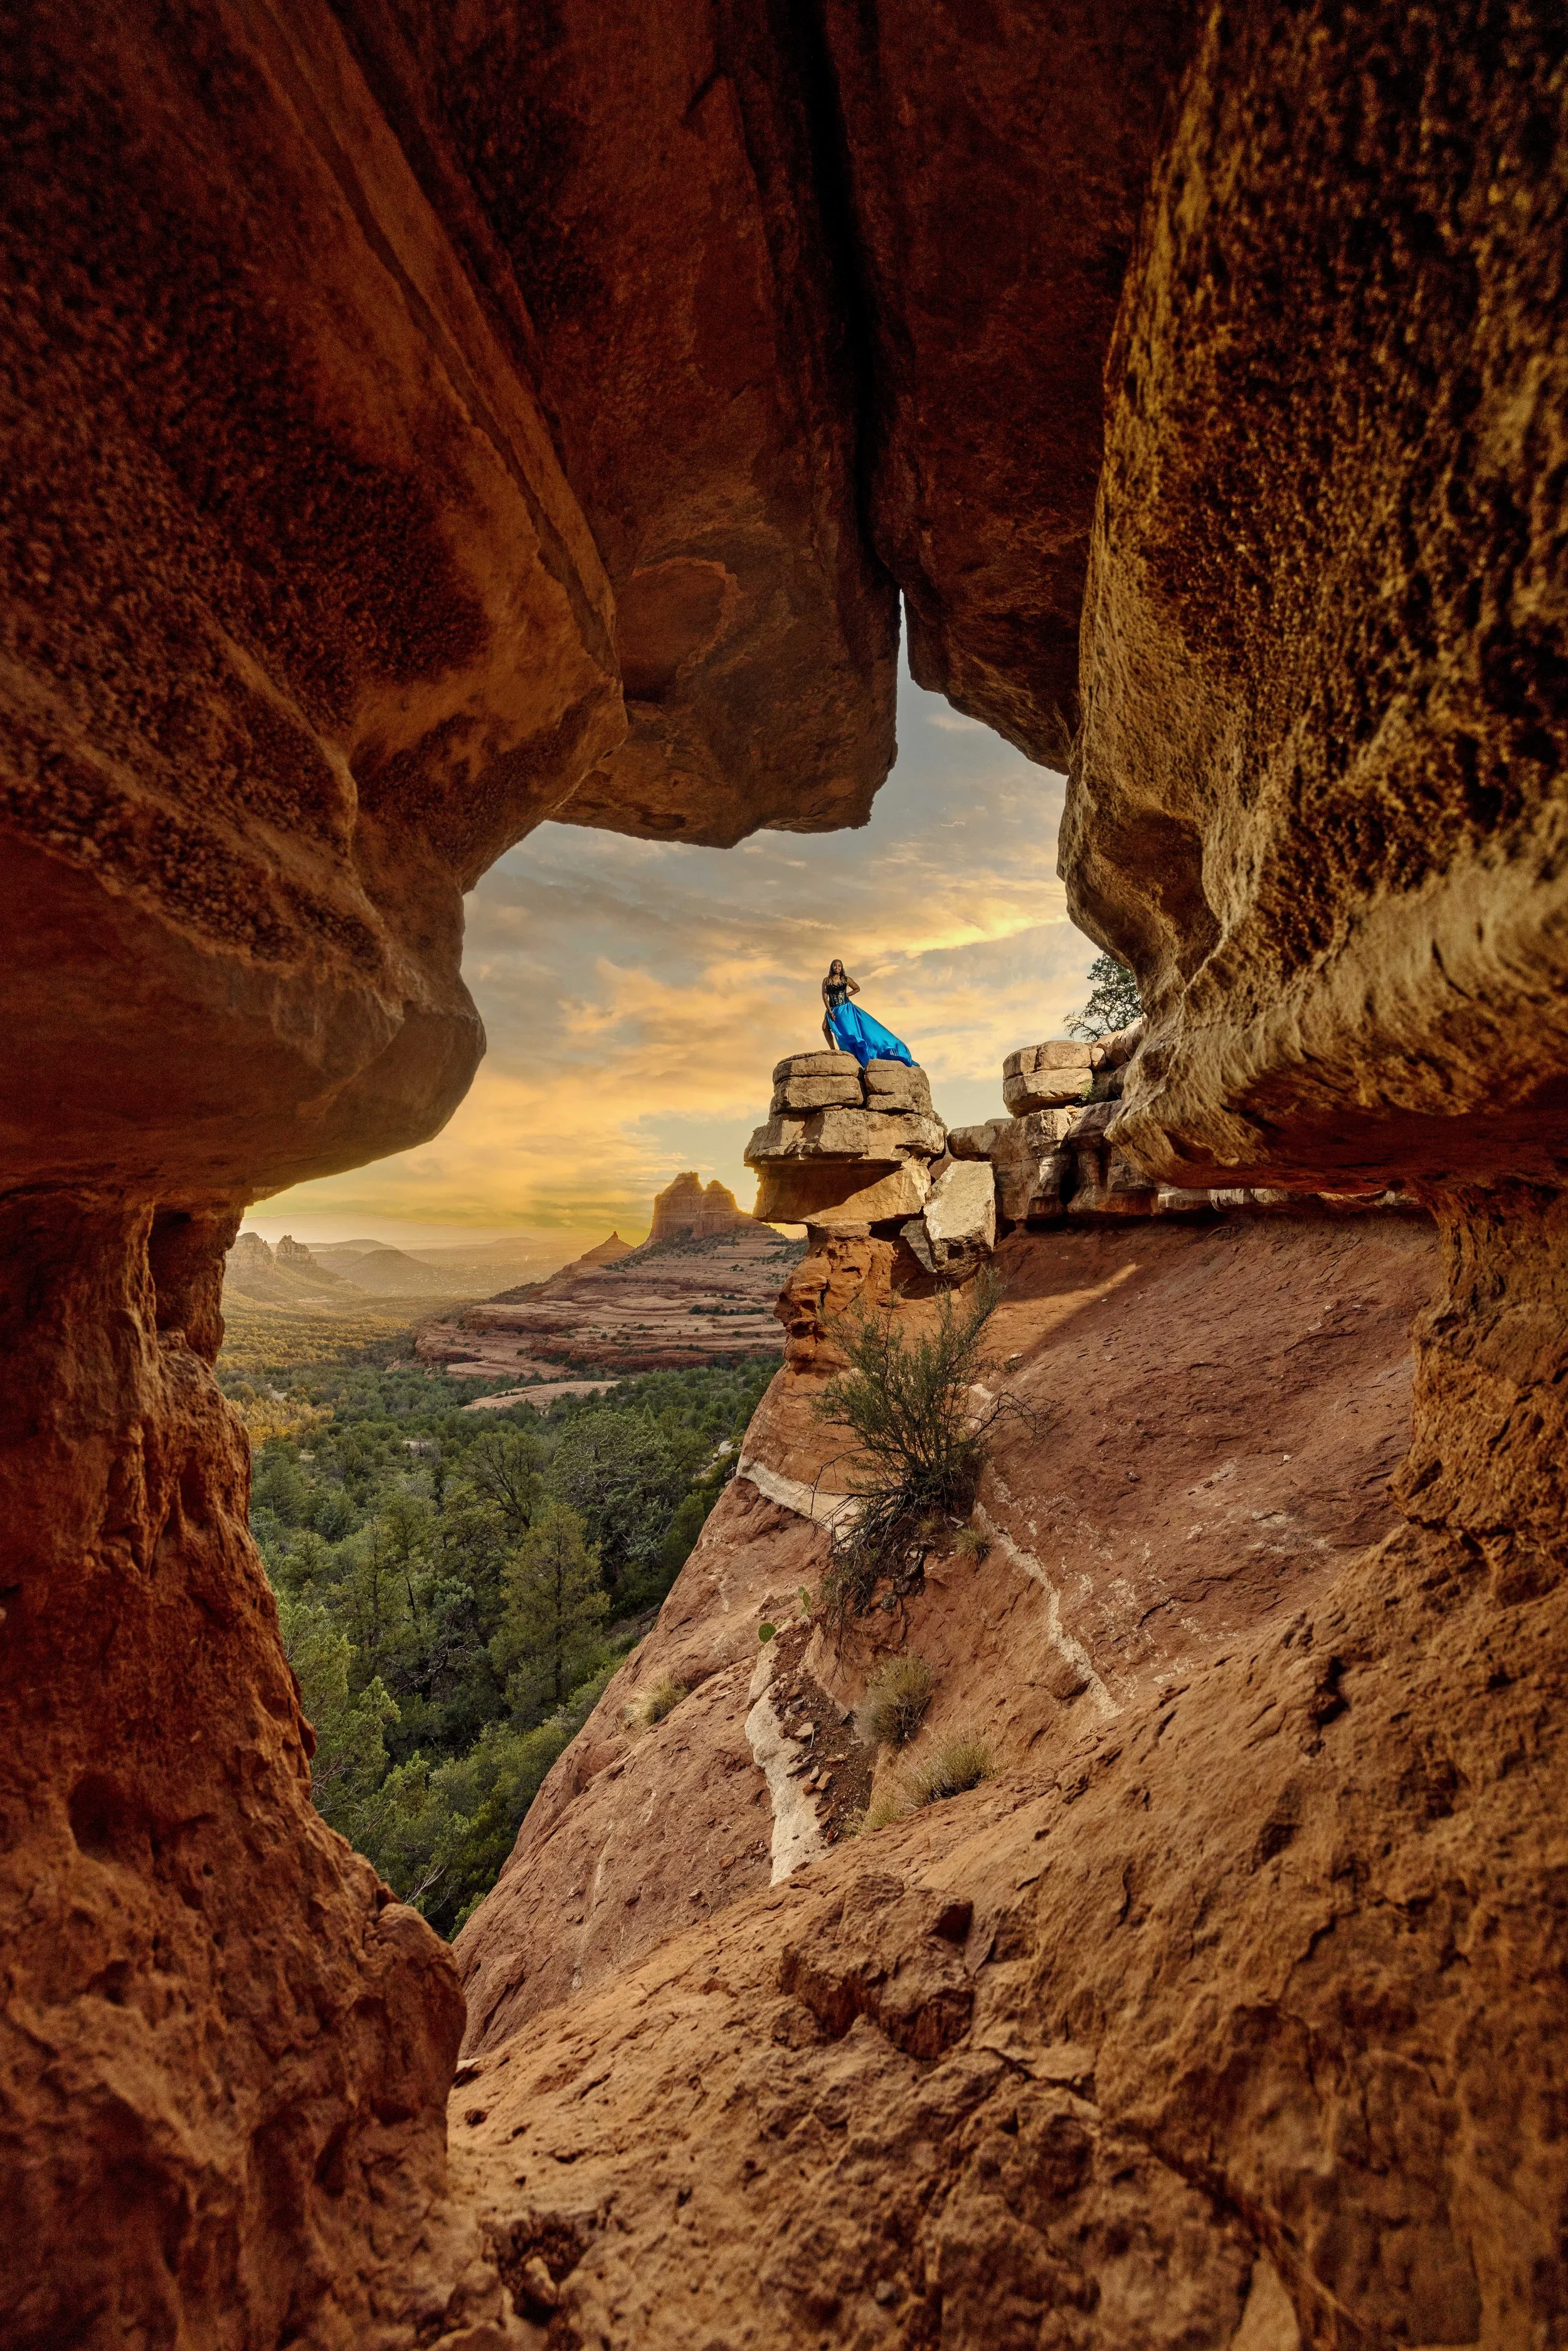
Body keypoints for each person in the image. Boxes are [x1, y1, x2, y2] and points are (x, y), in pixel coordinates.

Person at [820, 958, 916, 1068]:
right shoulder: (827, 980)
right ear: (832, 967)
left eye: (839, 966)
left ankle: (860, 1052)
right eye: (835, 965)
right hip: (832, 1008)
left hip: (846, 1009)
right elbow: (824, 996)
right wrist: (829, 1010)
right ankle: (833, 1050)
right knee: (825, 1028)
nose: (837, 968)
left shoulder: (846, 979)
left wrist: (848, 995)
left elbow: (857, 988)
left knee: (849, 1032)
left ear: (842, 968)